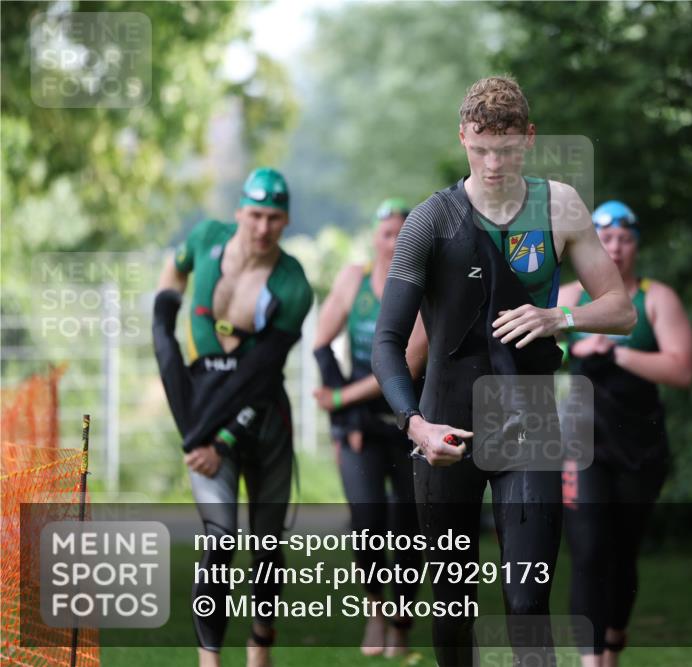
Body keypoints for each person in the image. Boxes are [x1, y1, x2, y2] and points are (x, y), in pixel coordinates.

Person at [371, 76, 637, 667]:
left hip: (530, 424)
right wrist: (415, 426)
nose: (493, 163)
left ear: (530, 140)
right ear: (462, 136)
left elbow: (620, 310)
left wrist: (558, 315)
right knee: (452, 607)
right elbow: (388, 342)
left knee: (526, 600)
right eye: (481, 148)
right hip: (445, 427)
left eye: (508, 149)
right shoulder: (430, 222)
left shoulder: (559, 204)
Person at [153, 167, 313, 667]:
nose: (263, 228)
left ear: (285, 221)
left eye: (274, 218)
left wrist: (217, 440)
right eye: (255, 215)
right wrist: (165, 310)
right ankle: (209, 660)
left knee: (266, 549)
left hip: (261, 418)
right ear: (239, 212)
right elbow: (173, 272)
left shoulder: (292, 284)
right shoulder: (205, 239)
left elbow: (260, 378)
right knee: (219, 544)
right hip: (204, 412)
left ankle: (260, 649)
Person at [558, 200, 692, 667]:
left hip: (639, 444)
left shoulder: (655, 298)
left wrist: (614, 354)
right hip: (580, 442)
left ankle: (614, 638)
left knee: (622, 550)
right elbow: (530, 357)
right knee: (589, 549)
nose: (614, 248)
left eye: (624, 238)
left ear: (636, 245)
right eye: (605, 238)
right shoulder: (570, 298)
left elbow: (681, 370)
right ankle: (591, 659)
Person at [312, 198, 428, 657]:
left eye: (404, 232)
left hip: (409, 423)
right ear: (375, 238)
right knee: (367, 521)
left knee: (407, 526)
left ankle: (402, 620)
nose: (395, 240)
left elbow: (406, 367)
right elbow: (322, 345)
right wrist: (348, 418)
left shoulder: (424, 288)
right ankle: (375, 611)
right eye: (387, 233)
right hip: (361, 429)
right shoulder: (354, 279)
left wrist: (341, 399)